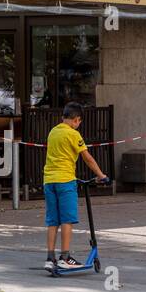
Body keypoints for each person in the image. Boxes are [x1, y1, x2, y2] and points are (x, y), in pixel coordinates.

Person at [43, 102, 108, 271]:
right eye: (79, 122)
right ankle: (65, 257)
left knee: (52, 221)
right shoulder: (73, 134)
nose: (78, 125)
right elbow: (87, 158)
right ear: (76, 120)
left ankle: (50, 258)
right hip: (65, 181)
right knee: (67, 220)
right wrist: (101, 175)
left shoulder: (53, 132)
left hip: (49, 181)